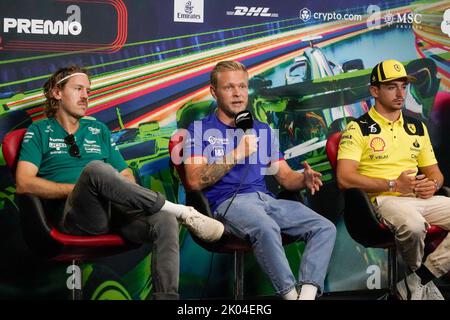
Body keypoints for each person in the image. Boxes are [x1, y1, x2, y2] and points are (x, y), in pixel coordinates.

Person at [15, 65, 224, 300]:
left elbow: (126, 175)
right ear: (57, 92)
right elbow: (24, 183)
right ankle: (181, 211)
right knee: (96, 170)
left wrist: (109, 188)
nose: (85, 96)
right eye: (78, 89)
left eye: (88, 90)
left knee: (164, 220)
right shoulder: (39, 130)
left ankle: (167, 297)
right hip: (75, 217)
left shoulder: (98, 130)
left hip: (114, 213)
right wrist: (82, 188)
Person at [183, 61, 336, 300]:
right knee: (266, 227)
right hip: (228, 203)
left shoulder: (261, 129)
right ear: (214, 91)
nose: (237, 94)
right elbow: (193, 181)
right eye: (229, 88)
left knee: (324, 227)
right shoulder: (199, 129)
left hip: (266, 200)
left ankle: (305, 296)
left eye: (242, 87)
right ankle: (289, 295)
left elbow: (285, 177)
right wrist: (237, 153)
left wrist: (303, 178)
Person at [337, 59, 450, 300]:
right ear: (374, 91)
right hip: (383, 201)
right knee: (414, 225)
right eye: (391, 87)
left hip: (419, 198)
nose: (400, 93)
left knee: (419, 219)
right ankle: (419, 285)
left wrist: (433, 185)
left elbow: (435, 173)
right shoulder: (358, 128)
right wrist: (393, 185)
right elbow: (344, 179)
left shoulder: (417, 127)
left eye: (403, 86)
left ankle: (418, 280)